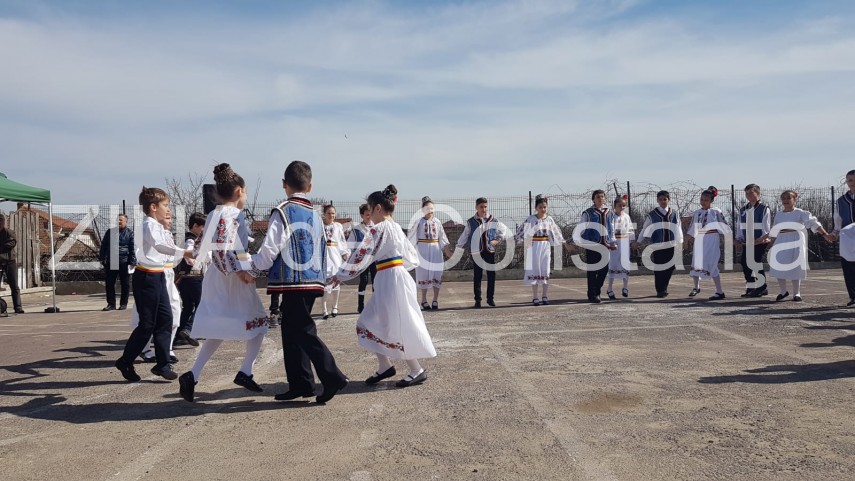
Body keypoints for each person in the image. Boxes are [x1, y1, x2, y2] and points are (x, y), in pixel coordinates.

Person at [251, 160, 349, 404]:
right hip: (313, 278)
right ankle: (301, 383)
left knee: (302, 330)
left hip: (292, 280)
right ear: (310, 186)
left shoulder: (283, 211)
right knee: (291, 330)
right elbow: (322, 249)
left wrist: (251, 266)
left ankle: (332, 375)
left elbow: (270, 249)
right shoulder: (316, 216)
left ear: (284, 184)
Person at [178, 164, 269, 402]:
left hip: (216, 277)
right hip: (232, 279)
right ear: (239, 190)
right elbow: (228, 250)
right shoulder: (234, 215)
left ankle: (193, 375)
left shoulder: (212, 215)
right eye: (246, 191)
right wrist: (241, 272)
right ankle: (245, 370)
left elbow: (201, 249)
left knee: (219, 326)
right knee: (259, 323)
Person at [334, 185, 436, 387]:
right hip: (394, 276)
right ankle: (385, 366)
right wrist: (397, 267)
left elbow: (362, 256)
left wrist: (341, 274)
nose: (369, 214)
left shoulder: (378, 229)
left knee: (395, 323)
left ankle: (416, 369)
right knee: (373, 322)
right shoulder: (396, 227)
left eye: (370, 209)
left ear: (378, 208)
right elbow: (411, 256)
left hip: (390, 278)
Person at [115, 187, 192, 382]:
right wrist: (184, 252)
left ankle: (163, 363)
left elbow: (166, 249)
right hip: (146, 278)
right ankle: (125, 361)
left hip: (158, 277)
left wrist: (187, 252)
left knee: (165, 319)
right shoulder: (148, 225)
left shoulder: (158, 226)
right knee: (147, 325)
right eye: (165, 205)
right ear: (153, 207)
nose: (168, 209)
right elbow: (159, 246)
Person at [762, 190, 832, 302]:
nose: (785, 201)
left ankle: (797, 293)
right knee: (778, 264)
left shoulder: (801, 213)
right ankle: (783, 291)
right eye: (783, 198)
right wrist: (767, 239)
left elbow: (814, 223)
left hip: (796, 240)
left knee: (796, 266)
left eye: (788, 198)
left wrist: (825, 234)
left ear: (794, 199)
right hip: (782, 240)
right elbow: (775, 230)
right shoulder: (779, 215)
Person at [450, 197, 507, 308]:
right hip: (476, 252)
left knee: (491, 275)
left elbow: (503, 230)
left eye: (485, 206)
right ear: (476, 207)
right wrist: (458, 248)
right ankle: (478, 300)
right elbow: (465, 236)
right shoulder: (471, 222)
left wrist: (497, 240)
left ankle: (490, 299)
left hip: (490, 250)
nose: (484, 209)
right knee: (477, 276)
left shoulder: (493, 220)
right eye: (481, 207)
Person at [514, 194, 566, 305]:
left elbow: (556, 232)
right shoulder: (531, 219)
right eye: (540, 207)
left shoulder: (549, 219)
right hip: (534, 246)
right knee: (534, 270)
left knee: (545, 269)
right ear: (536, 208)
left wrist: (563, 242)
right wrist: (522, 243)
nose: (543, 209)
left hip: (545, 246)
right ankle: (535, 296)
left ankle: (545, 296)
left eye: (545, 207)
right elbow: (521, 231)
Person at [686, 186, 731, 300]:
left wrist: (729, 237)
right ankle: (696, 287)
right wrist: (687, 239)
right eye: (701, 200)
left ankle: (719, 291)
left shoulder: (716, 212)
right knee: (696, 262)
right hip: (700, 239)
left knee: (712, 263)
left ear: (711, 200)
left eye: (706, 200)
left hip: (712, 239)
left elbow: (724, 225)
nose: (703, 202)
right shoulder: (697, 213)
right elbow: (693, 228)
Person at [408, 196, 450, 310]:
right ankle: (424, 300)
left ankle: (435, 299)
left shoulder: (437, 222)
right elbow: (411, 239)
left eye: (432, 208)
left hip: (436, 251)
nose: (430, 211)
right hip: (423, 251)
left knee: (437, 274)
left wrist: (449, 253)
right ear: (423, 210)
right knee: (423, 274)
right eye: (427, 208)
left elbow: (443, 239)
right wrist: (410, 254)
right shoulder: (419, 223)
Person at [639, 190, 683, 298]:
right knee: (659, 268)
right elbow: (645, 228)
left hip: (671, 244)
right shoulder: (652, 214)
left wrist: (680, 242)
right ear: (657, 200)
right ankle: (661, 290)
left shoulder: (674, 213)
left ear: (669, 200)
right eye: (660, 199)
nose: (663, 201)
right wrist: (639, 241)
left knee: (671, 266)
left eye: (665, 199)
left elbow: (678, 227)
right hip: (658, 245)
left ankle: (664, 286)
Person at [173, 212, 205, 346]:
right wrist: (192, 260)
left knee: (187, 306)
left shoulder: (185, 238)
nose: (204, 230)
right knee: (201, 304)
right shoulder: (191, 239)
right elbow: (188, 252)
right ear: (196, 226)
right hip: (194, 277)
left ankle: (178, 334)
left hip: (184, 278)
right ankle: (188, 329)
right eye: (203, 227)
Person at [579, 190, 617, 303]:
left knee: (604, 270)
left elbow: (612, 227)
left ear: (605, 198)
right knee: (592, 270)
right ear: (593, 199)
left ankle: (596, 291)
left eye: (602, 197)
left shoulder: (609, 212)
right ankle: (593, 294)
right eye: (597, 197)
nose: (600, 199)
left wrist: (613, 240)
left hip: (605, 244)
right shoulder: (587, 213)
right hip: (592, 245)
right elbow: (581, 227)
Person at [734, 184, 772, 298]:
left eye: (751, 192)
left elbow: (766, 226)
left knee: (755, 262)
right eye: (747, 193)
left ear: (758, 193)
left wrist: (762, 238)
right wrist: (738, 238)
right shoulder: (743, 209)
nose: (749, 195)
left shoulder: (764, 208)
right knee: (745, 263)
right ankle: (751, 286)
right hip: (747, 241)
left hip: (759, 241)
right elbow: (740, 226)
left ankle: (761, 287)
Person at [99, 213, 136, 311]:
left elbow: (133, 248)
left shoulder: (130, 233)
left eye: (121, 220)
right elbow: (104, 246)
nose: (119, 222)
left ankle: (123, 304)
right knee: (110, 283)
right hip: (112, 261)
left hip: (125, 262)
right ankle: (111, 304)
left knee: (125, 284)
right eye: (117, 220)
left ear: (126, 222)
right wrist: (102, 258)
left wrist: (132, 261)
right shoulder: (110, 232)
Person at [829, 170, 855, 306]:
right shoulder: (841, 201)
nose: (853, 183)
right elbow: (838, 221)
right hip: (848, 239)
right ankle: (853, 296)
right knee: (848, 267)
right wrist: (834, 234)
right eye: (850, 180)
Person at [321, 204, 350, 319]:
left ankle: (335, 306)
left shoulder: (338, 226)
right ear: (324, 214)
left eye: (333, 213)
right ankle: (324, 308)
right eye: (329, 213)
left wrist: (344, 253)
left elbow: (342, 241)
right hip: (324, 255)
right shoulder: (320, 226)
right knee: (324, 284)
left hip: (335, 254)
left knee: (336, 281)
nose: (331, 215)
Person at [347, 204, 376, 314]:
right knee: (363, 280)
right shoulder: (357, 229)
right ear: (362, 216)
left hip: (373, 259)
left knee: (375, 281)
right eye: (367, 215)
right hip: (362, 259)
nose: (369, 217)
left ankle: (375, 304)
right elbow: (350, 244)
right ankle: (361, 305)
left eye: (371, 214)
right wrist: (349, 256)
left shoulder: (376, 227)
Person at [606, 196, 635, 299]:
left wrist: (632, 241)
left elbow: (630, 229)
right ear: (614, 206)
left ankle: (625, 287)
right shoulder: (611, 216)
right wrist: (611, 242)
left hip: (625, 242)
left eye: (623, 205)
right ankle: (609, 288)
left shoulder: (627, 217)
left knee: (625, 264)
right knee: (613, 264)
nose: (622, 207)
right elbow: (609, 230)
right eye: (619, 205)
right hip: (615, 243)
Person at [0, 213, 23, 314]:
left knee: (14, 285)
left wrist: (1, 247)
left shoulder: (9, 232)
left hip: (10, 261)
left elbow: (12, 243)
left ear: (3, 222)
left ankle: (18, 307)